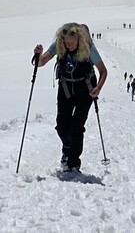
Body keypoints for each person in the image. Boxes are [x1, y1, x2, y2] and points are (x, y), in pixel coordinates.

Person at [33, 23, 107, 172]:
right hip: (66, 89)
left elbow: (103, 71)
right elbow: (41, 62)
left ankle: (73, 162)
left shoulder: (88, 48)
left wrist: (98, 88)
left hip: (85, 91)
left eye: (72, 43)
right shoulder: (59, 44)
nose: (69, 46)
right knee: (61, 126)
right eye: (67, 43)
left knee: (76, 127)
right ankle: (67, 147)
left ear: (79, 39)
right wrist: (38, 55)